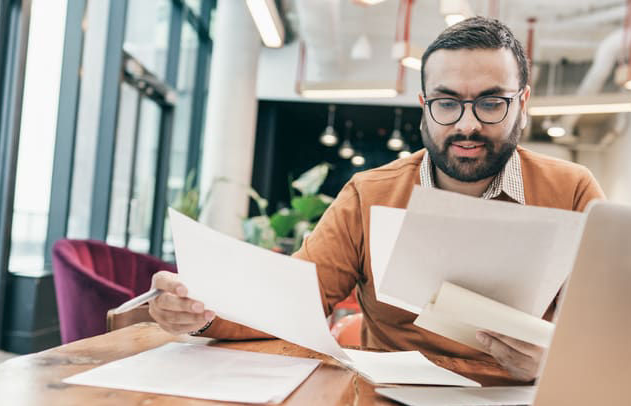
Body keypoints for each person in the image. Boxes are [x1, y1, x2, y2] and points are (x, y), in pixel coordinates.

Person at [148, 17, 604, 384]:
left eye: (491, 103)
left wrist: (557, 364)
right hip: (386, 397)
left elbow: (610, 336)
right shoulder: (370, 194)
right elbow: (290, 305)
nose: (467, 124)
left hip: (519, 397)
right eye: (447, 103)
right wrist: (198, 314)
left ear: (522, 102)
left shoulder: (573, 191)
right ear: (424, 104)